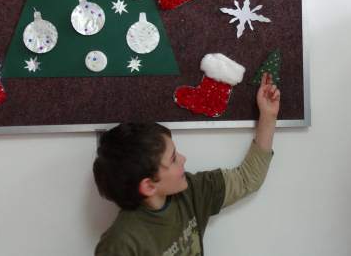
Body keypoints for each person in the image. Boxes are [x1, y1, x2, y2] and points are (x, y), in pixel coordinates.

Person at [92, 72, 281, 255]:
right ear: (149, 186)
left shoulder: (192, 191)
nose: (183, 159)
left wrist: (268, 116)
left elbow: (247, 179)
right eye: (173, 158)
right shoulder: (120, 244)